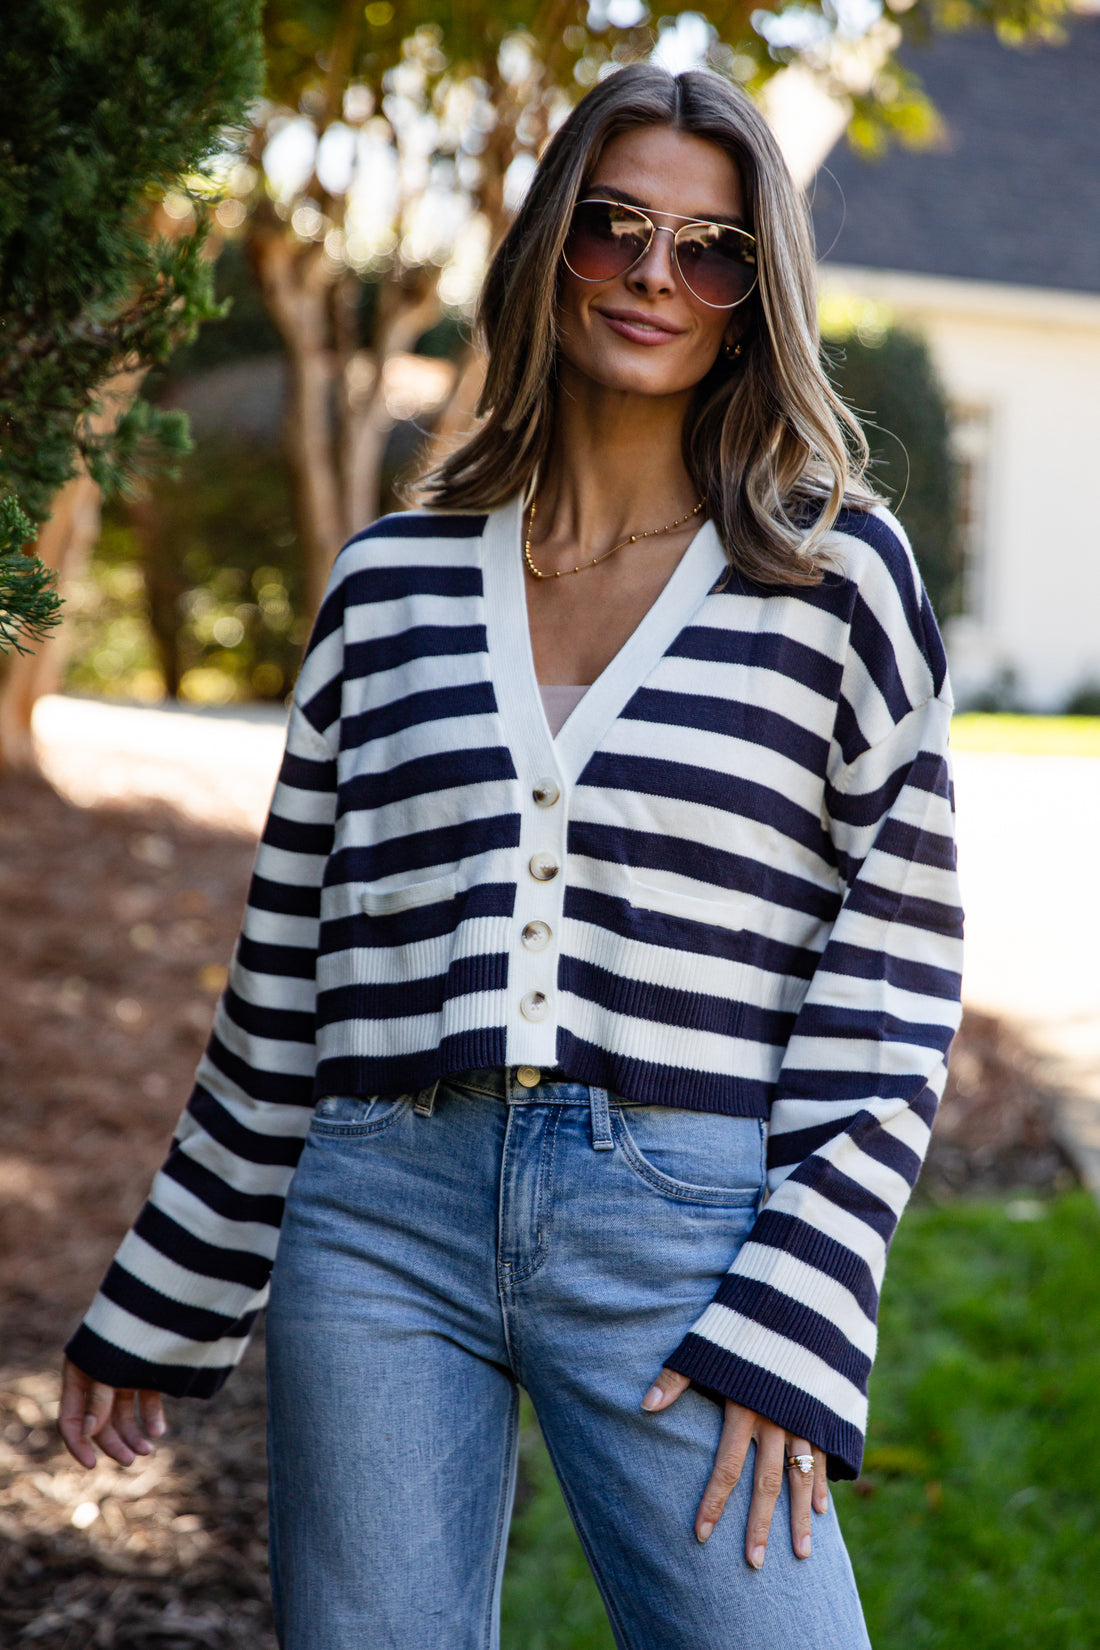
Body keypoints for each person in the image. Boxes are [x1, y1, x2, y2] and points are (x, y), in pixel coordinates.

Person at [59, 62, 963, 1650]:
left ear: (758, 297)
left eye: (708, 249)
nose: (651, 278)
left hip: (688, 1238)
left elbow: (891, 966)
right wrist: (169, 1286)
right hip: (377, 1222)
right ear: (550, 244)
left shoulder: (835, 579)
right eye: (615, 229)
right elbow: (289, 975)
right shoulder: (390, 589)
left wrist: (807, 1295)